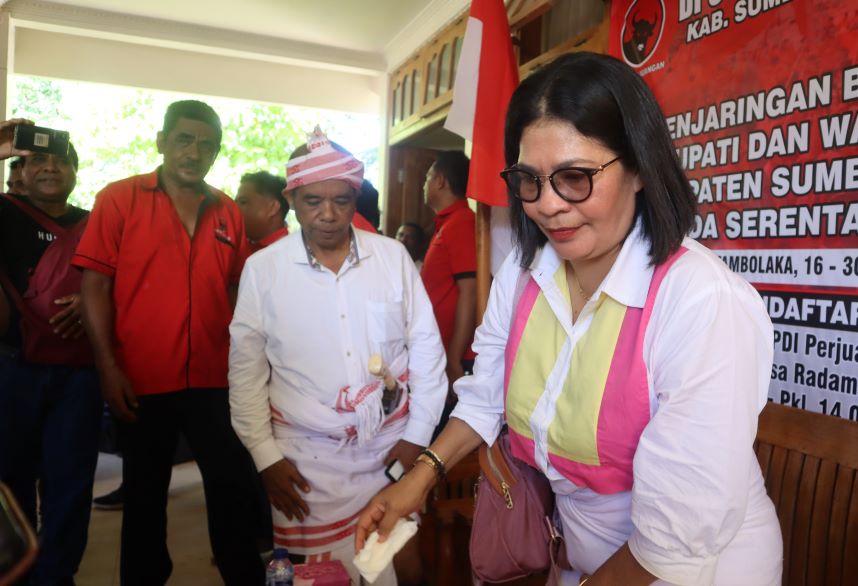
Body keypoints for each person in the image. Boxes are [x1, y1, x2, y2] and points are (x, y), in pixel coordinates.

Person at [356, 52, 783, 585]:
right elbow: (489, 390)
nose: (548, 205)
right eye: (529, 180)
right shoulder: (528, 268)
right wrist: (419, 477)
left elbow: (675, 539)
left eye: (575, 177)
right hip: (576, 554)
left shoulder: (700, 300)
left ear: (640, 170)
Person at [229, 127, 447, 585]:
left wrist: (418, 437)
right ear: (291, 199)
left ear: (355, 197)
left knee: (402, 562)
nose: (328, 214)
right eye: (312, 201)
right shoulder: (263, 270)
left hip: (391, 447)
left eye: (341, 201)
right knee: (316, 575)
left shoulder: (392, 258)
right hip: (303, 461)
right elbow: (246, 373)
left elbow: (427, 352)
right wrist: (265, 456)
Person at [73, 100, 265, 584]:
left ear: (216, 152)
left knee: (231, 487)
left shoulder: (227, 212)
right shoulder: (118, 199)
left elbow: (239, 289)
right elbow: (93, 286)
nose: (194, 151)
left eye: (207, 144)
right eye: (184, 139)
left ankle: (242, 575)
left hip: (215, 378)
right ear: (162, 141)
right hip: (141, 376)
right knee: (144, 496)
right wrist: (108, 367)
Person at [0, 119, 101, 585]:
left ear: (77, 172)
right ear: (21, 168)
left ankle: (56, 577)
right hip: (12, 368)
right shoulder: (5, 212)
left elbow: (125, 280)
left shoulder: (95, 225)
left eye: (62, 159)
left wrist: (94, 299)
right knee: (11, 479)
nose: (50, 166)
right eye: (38, 158)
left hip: (78, 375)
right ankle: (18, 572)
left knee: (70, 484)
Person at [420, 151, 477, 395]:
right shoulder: (448, 223)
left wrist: (453, 357)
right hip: (441, 350)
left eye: (427, 178)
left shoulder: (462, 221)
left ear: (440, 180)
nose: (424, 185)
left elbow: (471, 291)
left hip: (458, 356)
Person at [236, 170, 290, 252]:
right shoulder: (235, 243)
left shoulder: (288, 253)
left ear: (273, 208)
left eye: (243, 202)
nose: (235, 209)